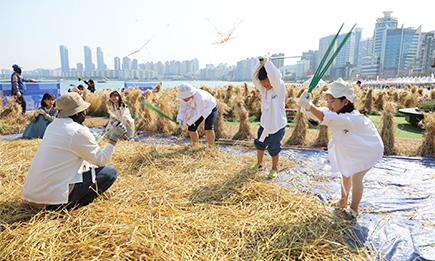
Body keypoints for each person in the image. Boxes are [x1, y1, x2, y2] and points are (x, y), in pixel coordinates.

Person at [22, 92, 127, 210]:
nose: (85, 113)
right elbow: (101, 161)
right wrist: (114, 138)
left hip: (32, 197)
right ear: (77, 112)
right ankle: (76, 204)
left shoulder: (52, 126)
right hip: (52, 201)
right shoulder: (78, 131)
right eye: (84, 110)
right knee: (110, 172)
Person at [297, 78, 384, 220]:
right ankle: (343, 201)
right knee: (345, 172)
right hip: (354, 147)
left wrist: (309, 105)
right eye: (328, 101)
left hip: (369, 149)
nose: (329, 105)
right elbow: (317, 113)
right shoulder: (336, 112)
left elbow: (325, 117)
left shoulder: (352, 118)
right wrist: (306, 105)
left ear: (345, 101)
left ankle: (354, 208)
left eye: (333, 101)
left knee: (356, 176)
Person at [250, 56, 287, 179]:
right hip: (265, 124)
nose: (265, 85)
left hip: (277, 125)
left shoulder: (279, 89)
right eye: (263, 83)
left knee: (274, 148)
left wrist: (268, 62)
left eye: (267, 81)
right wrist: (261, 63)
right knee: (259, 143)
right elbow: (254, 77)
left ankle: (274, 168)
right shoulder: (263, 90)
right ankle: (259, 164)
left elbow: (276, 76)